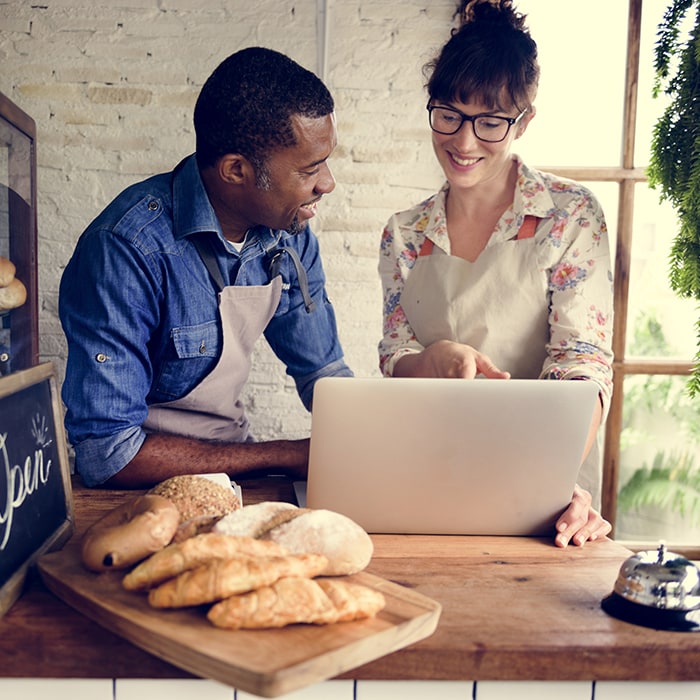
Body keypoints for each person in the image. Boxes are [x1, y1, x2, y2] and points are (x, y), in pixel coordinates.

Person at [59, 47, 352, 489]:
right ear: (236, 170)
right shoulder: (126, 249)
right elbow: (109, 453)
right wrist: (290, 456)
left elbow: (323, 374)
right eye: (310, 168)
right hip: (140, 487)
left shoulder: (288, 232)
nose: (327, 183)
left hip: (234, 468)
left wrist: (370, 439)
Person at [378, 0, 614, 547]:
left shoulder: (570, 215)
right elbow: (395, 353)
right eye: (449, 115)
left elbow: (583, 363)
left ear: (524, 120)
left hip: (546, 491)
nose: (463, 142)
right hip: (431, 471)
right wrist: (427, 361)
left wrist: (546, 478)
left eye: (489, 122)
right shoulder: (404, 232)